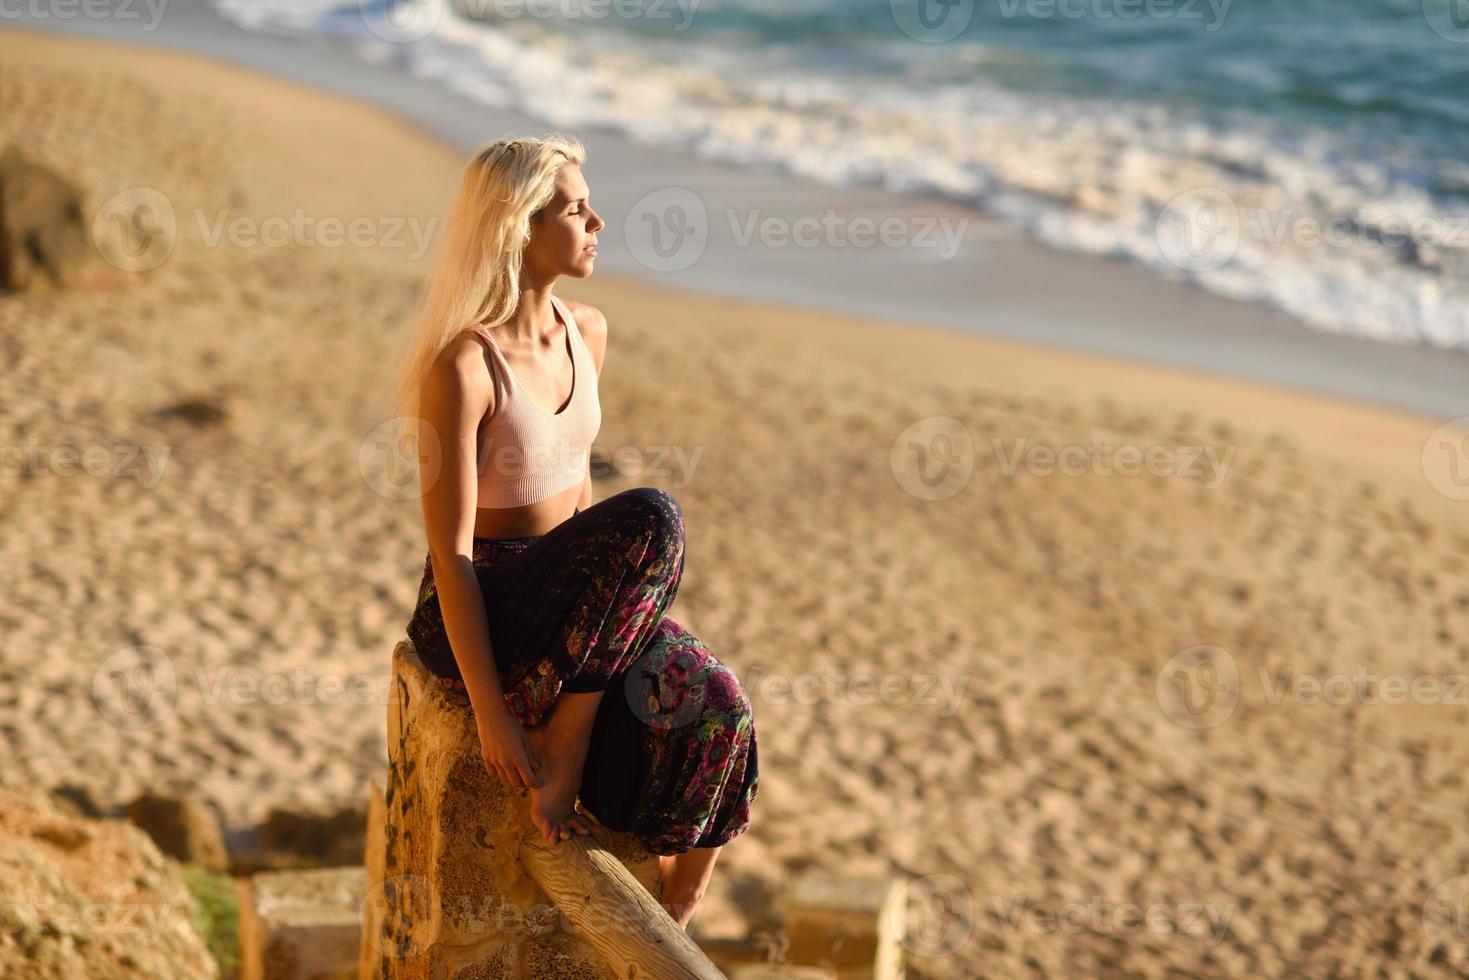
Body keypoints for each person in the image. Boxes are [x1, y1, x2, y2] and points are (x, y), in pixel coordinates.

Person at [389, 135, 758, 930]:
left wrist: (614, 625)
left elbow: (580, 498)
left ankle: (678, 905)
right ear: (520, 226)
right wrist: (492, 714)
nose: (596, 220)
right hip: (490, 597)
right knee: (655, 514)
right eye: (574, 209)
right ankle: (569, 738)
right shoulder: (460, 366)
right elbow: (449, 555)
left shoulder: (586, 330)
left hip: (573, 589)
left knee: (718, 702)